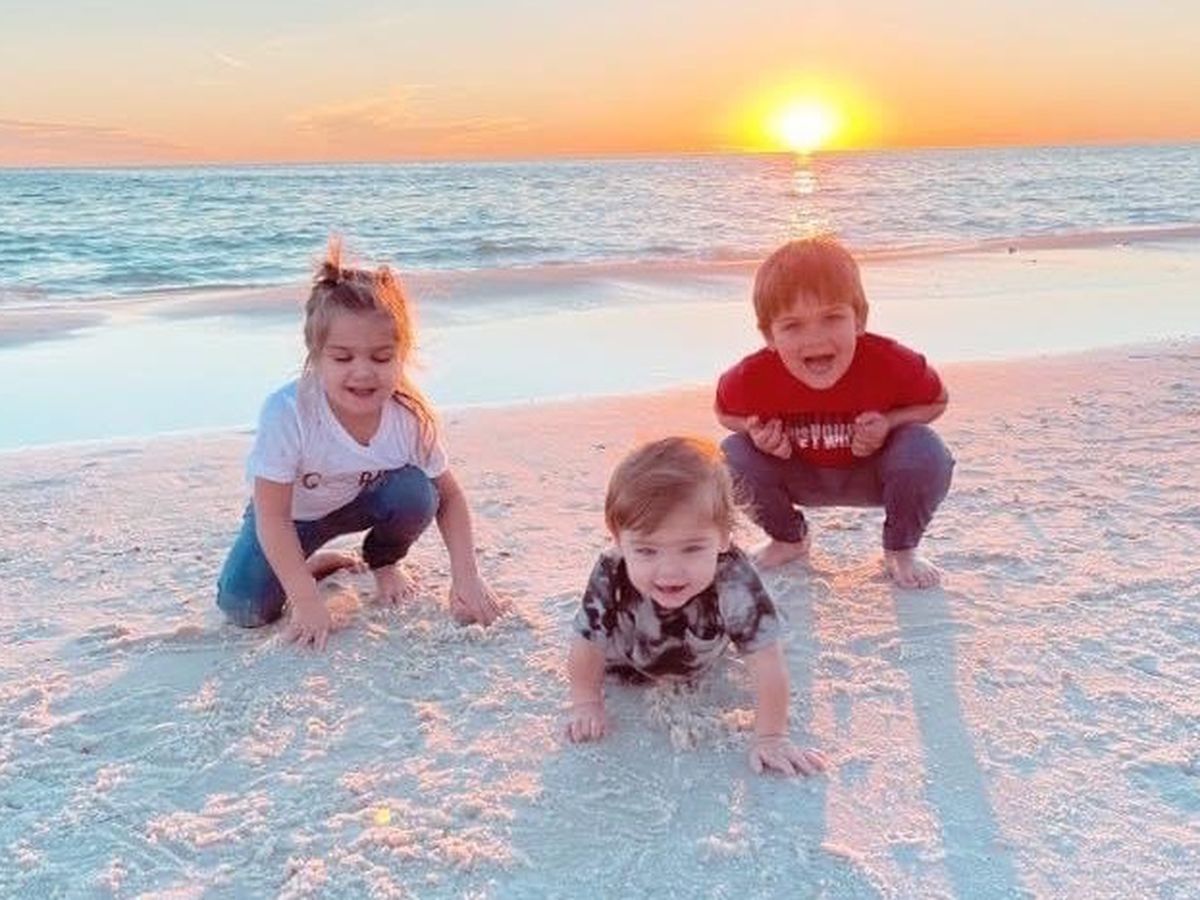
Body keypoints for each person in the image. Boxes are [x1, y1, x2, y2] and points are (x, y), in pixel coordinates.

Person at [217, 240, 503, 648]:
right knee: (244, 608)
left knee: (418, 491)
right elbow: (272, 516)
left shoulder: (409, 416)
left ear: (402, 354)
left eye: (381, 357)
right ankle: (314, 565)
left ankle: (383, 561)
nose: (364, 372)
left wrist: (467, 577)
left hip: (360, 500)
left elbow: (451, 498)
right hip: (290, 518)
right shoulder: (288, 412)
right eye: (343, 358)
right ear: (316, 357)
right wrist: (306, 599)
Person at [565, 437, 825, 777]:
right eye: (646, 551)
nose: (670, 571)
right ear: (618, 540)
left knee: (762, 626)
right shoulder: (611, 569)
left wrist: (770, 736)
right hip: (624, 662)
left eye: (691, 549)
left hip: (698, 660)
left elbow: (766, 660)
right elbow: (587, 640)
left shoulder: (733, 576)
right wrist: (586, 700)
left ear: (723, 537)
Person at [715, 237, 954, 589]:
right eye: (792, 325)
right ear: (769, 335)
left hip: (873, 473)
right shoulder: (752, 376)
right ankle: (788, 539)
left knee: (925, 450)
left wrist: (889, 423)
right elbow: (723, 412)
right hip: (798, 472)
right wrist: (755, 430)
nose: (815, 338)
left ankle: (900, 549)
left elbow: (937, 400)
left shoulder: (892, 361)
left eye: (832, 317)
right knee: (729, 454)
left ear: (859, 319)